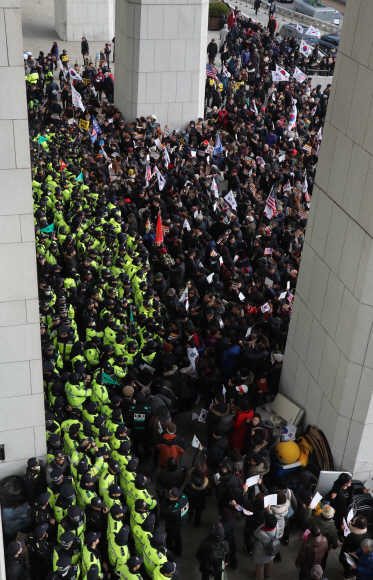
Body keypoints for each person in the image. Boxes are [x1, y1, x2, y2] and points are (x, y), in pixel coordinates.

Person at [252, 511, 279, 580]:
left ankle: (259, 577)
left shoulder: (261, 533)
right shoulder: (277, 527)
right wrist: (269, 511)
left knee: (260, 566)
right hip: (272, 550)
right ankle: (267, 576)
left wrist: (262, 525)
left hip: (262, 552)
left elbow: (255, 533)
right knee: (270, 562)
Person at [163, 487, 189, 556]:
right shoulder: (185, 497)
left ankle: (169, 553)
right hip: (182, 521)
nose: (168, 497)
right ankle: (178, 551)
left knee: (169, 539)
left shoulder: (172, 510)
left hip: (172, 526)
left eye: (170, 497)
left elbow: (165, 511)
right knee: (178, 535)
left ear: (176, 498)